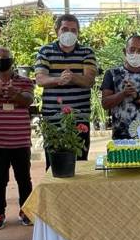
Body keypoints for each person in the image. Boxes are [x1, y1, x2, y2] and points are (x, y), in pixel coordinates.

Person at [0, 47, 35, 230]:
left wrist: (15, 94)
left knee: (24, 179)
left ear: (12, 59)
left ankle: (26, 211)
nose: (1, 59)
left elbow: (28, 101)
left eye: (5, 57)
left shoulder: (24, 81)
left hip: (20, 140)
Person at [35, 14, 97, 161]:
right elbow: (40, 79)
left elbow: (89, 81)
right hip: (52, 118)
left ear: (78, 33)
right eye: (65, 29)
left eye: (73, 30)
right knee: (53, 163)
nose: (69, 33)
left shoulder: (87, 52)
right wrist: (59, 79)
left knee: (80, 162)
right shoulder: (45, 52)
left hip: (79, 117)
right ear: (57, 31)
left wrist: (73, 77)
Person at [101, 35, 140, 138]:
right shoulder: (112, 74)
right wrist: (123, 94)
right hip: (120, 137)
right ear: (125, 51)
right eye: (132, 49)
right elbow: (105, 104)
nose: (136, 53)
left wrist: (137, 96)